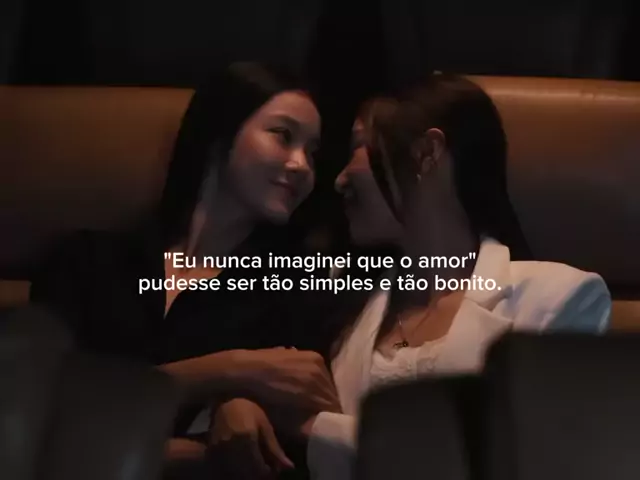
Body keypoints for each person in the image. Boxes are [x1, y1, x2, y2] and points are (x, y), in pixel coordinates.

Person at [206, 73, 612, 480]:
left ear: (427, 153)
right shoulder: (342, 300)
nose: (339, 179)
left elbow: (515, 462)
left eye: (358, 147)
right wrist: (242, 404)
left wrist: (310, 428)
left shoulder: (561, 298)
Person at [29, 61, 342, 477]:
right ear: (219, 133)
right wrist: (229, 369)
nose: (302, 165)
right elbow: (34, 410)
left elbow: (281, 451)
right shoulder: (85, 261)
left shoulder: (298, 286)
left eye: (312, 152)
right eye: (283, 136)